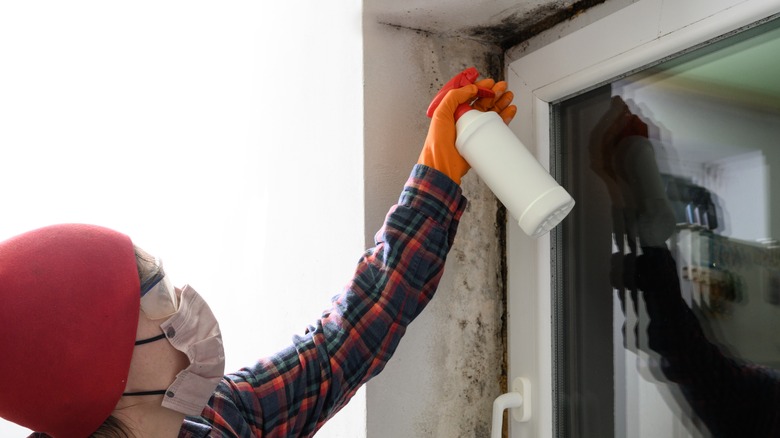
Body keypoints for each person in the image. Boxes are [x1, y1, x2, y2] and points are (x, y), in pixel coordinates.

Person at [0, 68, 517, 438]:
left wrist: (437, 170)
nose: (184, 304)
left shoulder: (221, 416)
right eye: (158, 300)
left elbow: (337, 350)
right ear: (97, 368)